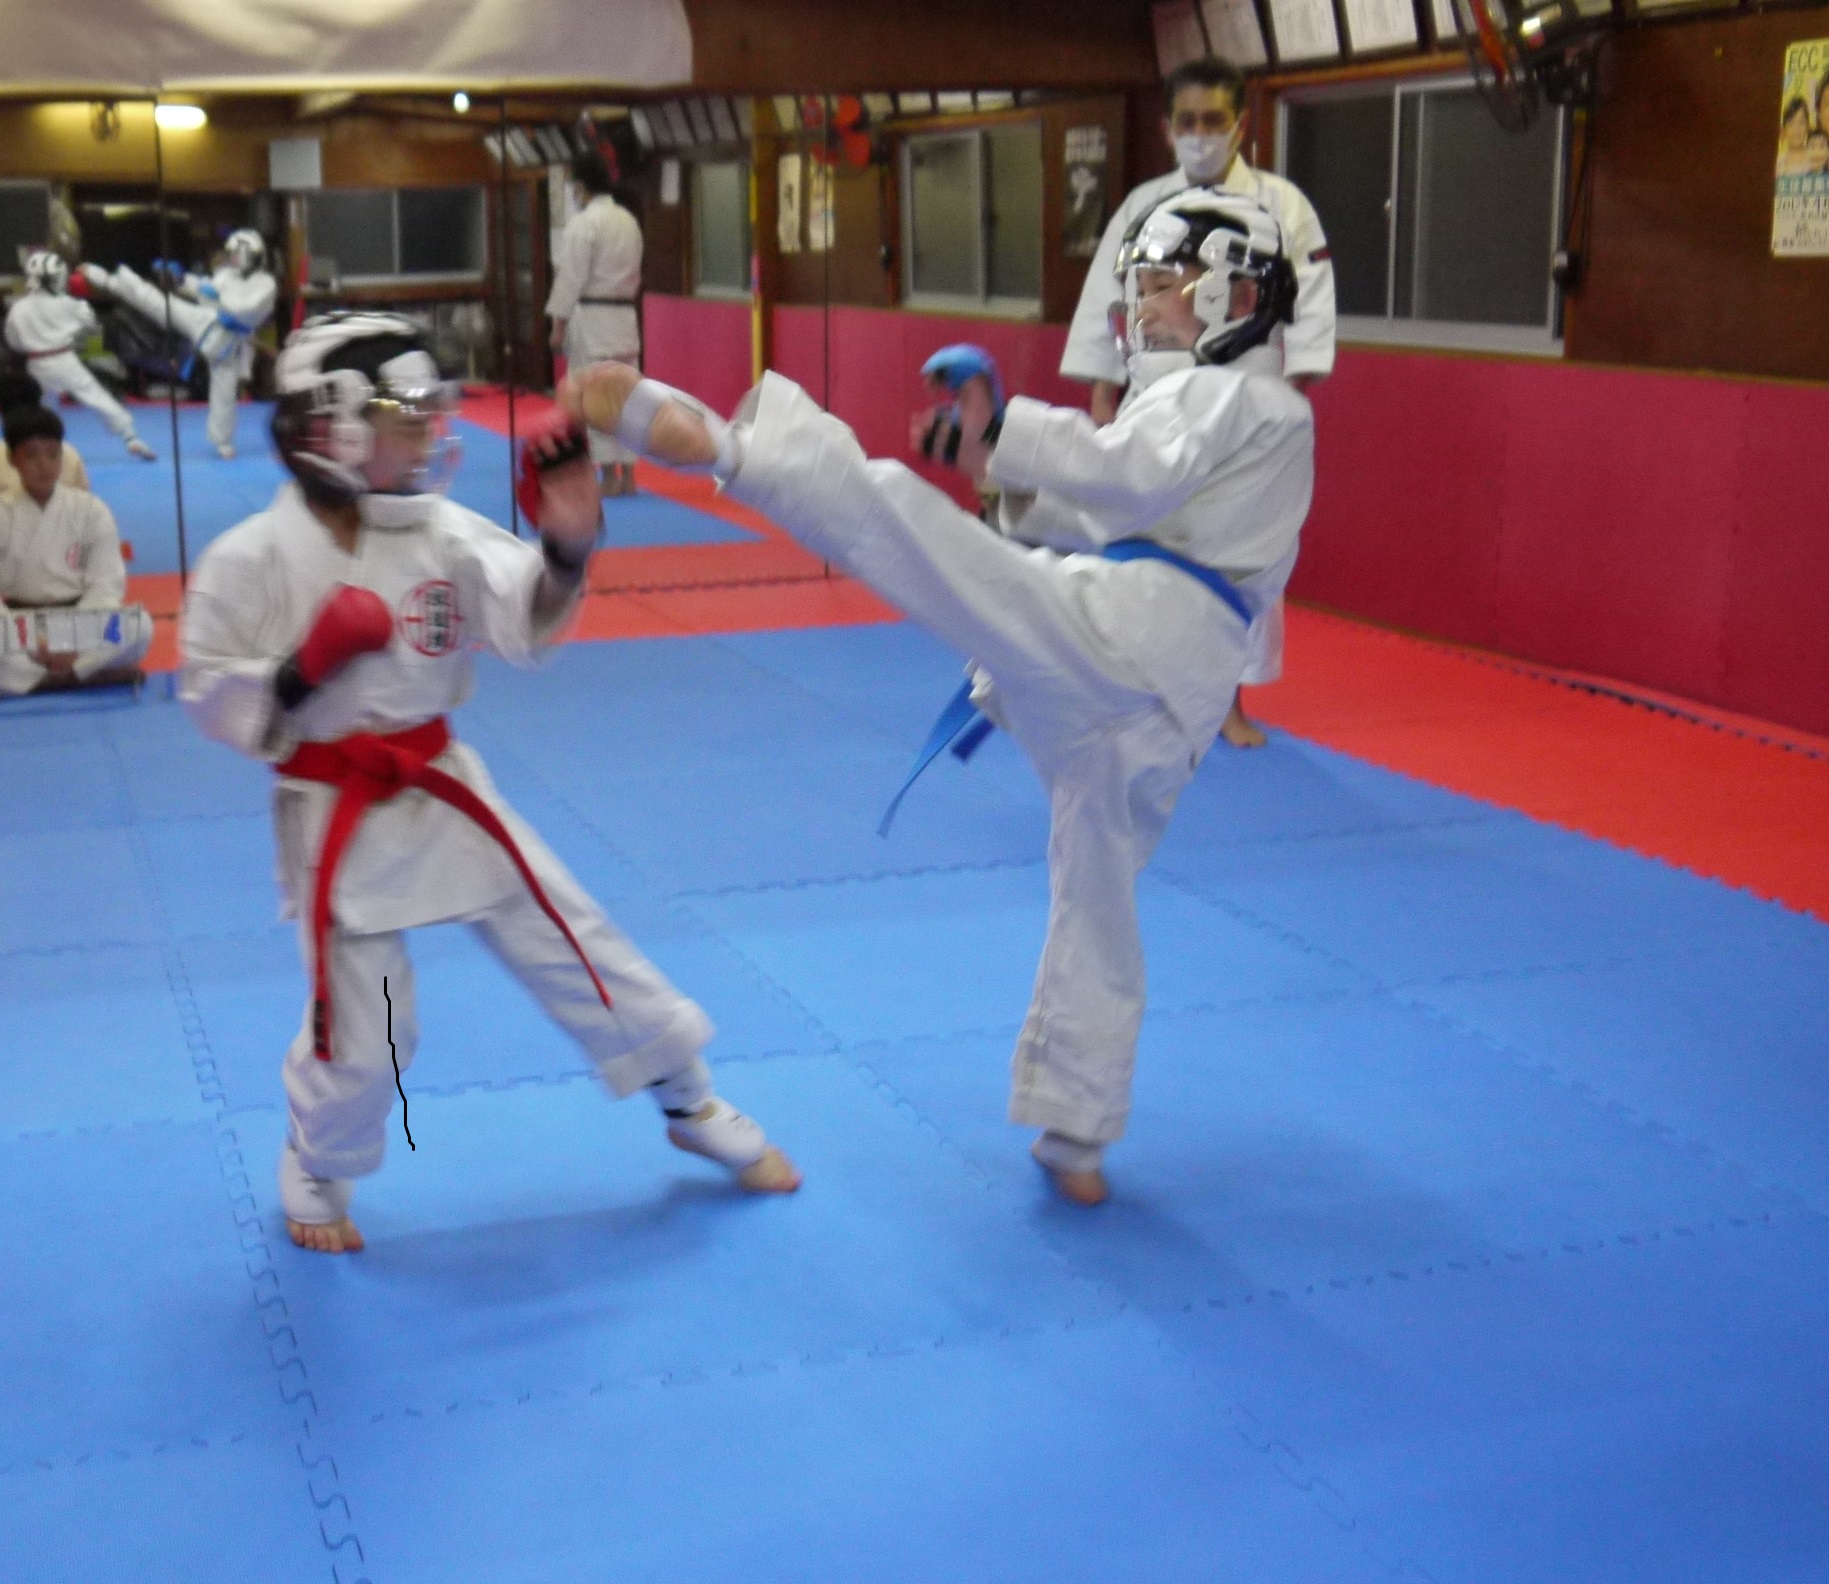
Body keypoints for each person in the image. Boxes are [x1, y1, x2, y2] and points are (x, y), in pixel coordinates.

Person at [568, 190, 1312, 1208]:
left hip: (1133, 640)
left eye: (1163, 287)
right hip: (1155, 698)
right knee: (1094, 901)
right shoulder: (1207, 408)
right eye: (1139, 288)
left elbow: (1127, 480)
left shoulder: (1249, 401)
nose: (1144, 309)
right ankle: (1077, 1129)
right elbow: (1104, 506)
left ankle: (738, 452)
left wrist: (1004, 428)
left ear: (1233, 292)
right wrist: (990, 459)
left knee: (929, 546)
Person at [177, 312, 799, 1255]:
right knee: (370, 1033)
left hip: (441, 781)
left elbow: (523, 613)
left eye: (431, 413)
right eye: (406, 417)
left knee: (576, 938)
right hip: (335, 804)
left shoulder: (438, 530)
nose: (430, 432)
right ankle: (318, 1158)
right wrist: (301, 670)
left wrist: (567, 547)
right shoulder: (248, 559)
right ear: (334, 427)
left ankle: (688, 1099)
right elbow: (207, 692)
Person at [1064, 55, 1329, 751]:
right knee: (1145, 551)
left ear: (1241, 125)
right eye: (1187, 121)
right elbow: (1106, 303)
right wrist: (1101, 393)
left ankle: (1226, 703)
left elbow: (1309, 313)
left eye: (1214, 120)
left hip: (1247, 413)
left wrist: (1282, 407)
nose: (1200, 133)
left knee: (1239, 559)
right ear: (1166, 128)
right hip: (1158, 405)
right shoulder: (1143, 207)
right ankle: (1145, 693)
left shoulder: (1283, 207)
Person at [0, 406, 153, 696]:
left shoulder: (91, 511)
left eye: (53, 454)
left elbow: (106, 586)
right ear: (12, 459)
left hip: (81, 621)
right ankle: (81, 675)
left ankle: (32, 680)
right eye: (32, 456)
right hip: (19, 625)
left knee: (140, 626)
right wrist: (34, 645)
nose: (44, 465)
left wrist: (75, 642)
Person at [95, 231, 281, 461]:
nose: (233, 259)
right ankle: (115, 281)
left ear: (252, 255)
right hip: (206, 321)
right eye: (231, 254)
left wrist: (214, 296)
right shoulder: (227, 275)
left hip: (229, 342)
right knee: (158, 304)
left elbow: (244, 309)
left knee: (224, 394)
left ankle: (222, 441)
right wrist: (182, 278)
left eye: (237, 254)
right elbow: (205, 289)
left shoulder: (266, 284)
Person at [546, 150, 646, 497]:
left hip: (593, 320)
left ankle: (608, 476)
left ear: (580, 186)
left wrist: (558, 326)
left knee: (595, 399)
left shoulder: (584, 223)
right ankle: (629, 475)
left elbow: (570, 279)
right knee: (626, 399)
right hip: (625, 319)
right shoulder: (628, 221)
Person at [7, 250, 159, 460]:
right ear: (57, 278)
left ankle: (38, 446)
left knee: (40, 409)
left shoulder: (18, 308)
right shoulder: (70, 304)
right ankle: (130, 436)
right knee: (96, 395)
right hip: (64, 359)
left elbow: (13, 342)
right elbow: (90, 325)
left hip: (36, 364)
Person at [0, 369, 93, 552]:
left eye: (51, 456)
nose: (43, 465)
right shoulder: (70, 454)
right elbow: (84, 510)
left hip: (4, 550)